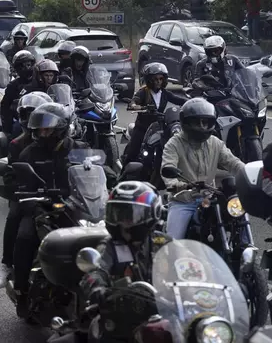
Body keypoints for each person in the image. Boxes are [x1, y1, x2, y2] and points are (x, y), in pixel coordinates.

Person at [13, 102, 86, 316]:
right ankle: (22, 290)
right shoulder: (29, 153)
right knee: (25, 237)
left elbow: (96, 171)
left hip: (75, 206)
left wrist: (109, 178)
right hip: (43, 207)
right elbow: (22, 184)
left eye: (48, 128)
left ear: (61, 128)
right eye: (40, 129)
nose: (43, 133)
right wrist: (32, 201)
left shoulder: (78, 149)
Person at [76, 181, 168, 343]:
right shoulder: (110, 246)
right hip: (123, 316)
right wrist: (98, 289)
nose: (123, 222)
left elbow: (189, 264)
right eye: (118, 215)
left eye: (131, 216)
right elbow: (95, 271)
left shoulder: (163, 242)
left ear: (153, 214)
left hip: (165, 311)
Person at [161, 98, 244, 239]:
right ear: (186, 122)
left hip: (211, 199)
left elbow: (233, 163)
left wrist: (252, 175)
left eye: (205, 122)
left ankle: (247, 251)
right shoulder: (174, 144)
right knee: (173, 241)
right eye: (196, 122)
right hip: (183, 201)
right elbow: (168, 173)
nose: (202, 126)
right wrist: (183, 186)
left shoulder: (215, 143)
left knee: (239, 217)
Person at [0, 91, 52, 289]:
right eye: (29, 115)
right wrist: (21, 192)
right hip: (30, 199)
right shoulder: (19, 145)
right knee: (17, 224)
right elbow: (12, 175)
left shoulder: (64, 142)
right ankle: (7, 265)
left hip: (61, 198)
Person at [122, 62, 186, 166]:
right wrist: (137, 106)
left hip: (159, 128)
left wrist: (195, 101)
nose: (158, 82)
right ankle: (123, 174)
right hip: (143, 128)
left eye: (161, 79)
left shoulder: (165, 93)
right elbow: (134, 102)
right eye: (155, 79)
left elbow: (179, 100)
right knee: (132, 152)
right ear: (149, 79)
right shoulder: (143, 92)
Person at [0, 50, 36, 137]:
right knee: (16, 131)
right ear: (17, 68)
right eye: (23, 66)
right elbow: (5, 107)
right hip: (23, 120)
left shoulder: (39, 80)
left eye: (28, 64)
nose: (27, 68)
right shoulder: (13, 85)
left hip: (41, 117)